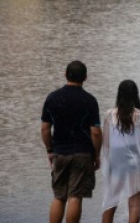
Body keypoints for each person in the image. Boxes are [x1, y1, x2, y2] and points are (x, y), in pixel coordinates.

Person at [41, 61, 102, 223]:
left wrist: (49, 150)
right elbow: (95, 132)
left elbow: (45, 129)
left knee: (59, 196)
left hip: (59, 152)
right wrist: (97, 155)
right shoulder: (90, 100)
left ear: (65, 75)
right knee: (75, 196)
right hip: (83, 153)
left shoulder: (52, 98)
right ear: (85, 77)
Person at [101, 80, 140, 223]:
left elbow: (106, 144)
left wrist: (107, 164)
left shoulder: (109, 114)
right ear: (135, 95)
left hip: (116, 162)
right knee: (134, 203)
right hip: (134, 163)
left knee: (110, 201)